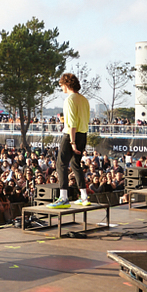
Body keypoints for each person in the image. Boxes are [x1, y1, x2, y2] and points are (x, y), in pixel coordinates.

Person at [47, 73, 91, 208]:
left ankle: (63, 197)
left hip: (71, 135)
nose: (61, 88)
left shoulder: (69, 100)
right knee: (76, 164)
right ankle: (84, 196)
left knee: (61, 164)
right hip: (83, 134)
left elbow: (71, 123)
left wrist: (72, 142)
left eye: (61, 85)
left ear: (66, 84)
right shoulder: (84, 99)